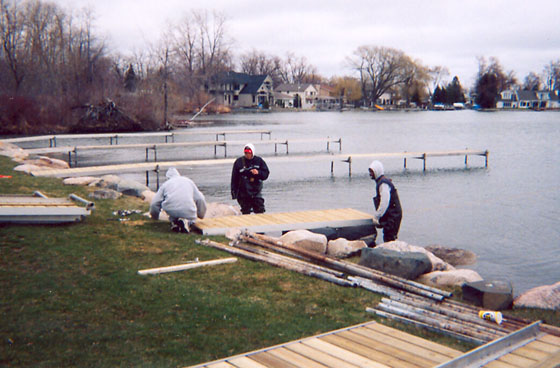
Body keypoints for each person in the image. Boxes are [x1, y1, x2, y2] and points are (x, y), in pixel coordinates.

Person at [150, 167, 207, 233]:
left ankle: (176, 223)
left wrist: (154, 217)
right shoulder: (188, 181)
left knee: (173, 216)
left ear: (167, 178)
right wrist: (201, 214)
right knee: (191, 219)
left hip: (172, 211)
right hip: (189, 211)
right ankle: (188, 223)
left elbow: (154, 203)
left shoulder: (165, 185)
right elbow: (200, 198)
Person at [368, 160, 402, 243]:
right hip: (391, 215)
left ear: (377, 171)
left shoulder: (384, 184)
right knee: (388, 236)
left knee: (389, 237)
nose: (370, 174)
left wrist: (377, 216)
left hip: (393, 216)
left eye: (372, 172)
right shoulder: (382, 182)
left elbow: (384, 202)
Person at [231, 143, 270, 214]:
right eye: (246, 153)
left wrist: (258, 172)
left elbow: (266, 174)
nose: (247, 155)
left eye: (249, 153)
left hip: (256, 192)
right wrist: (234, 193)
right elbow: (234, 178)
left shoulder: (259, 161)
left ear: (253, 152)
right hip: (243, 193)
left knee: (260, 209)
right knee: (246, 211)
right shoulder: (239, 162)